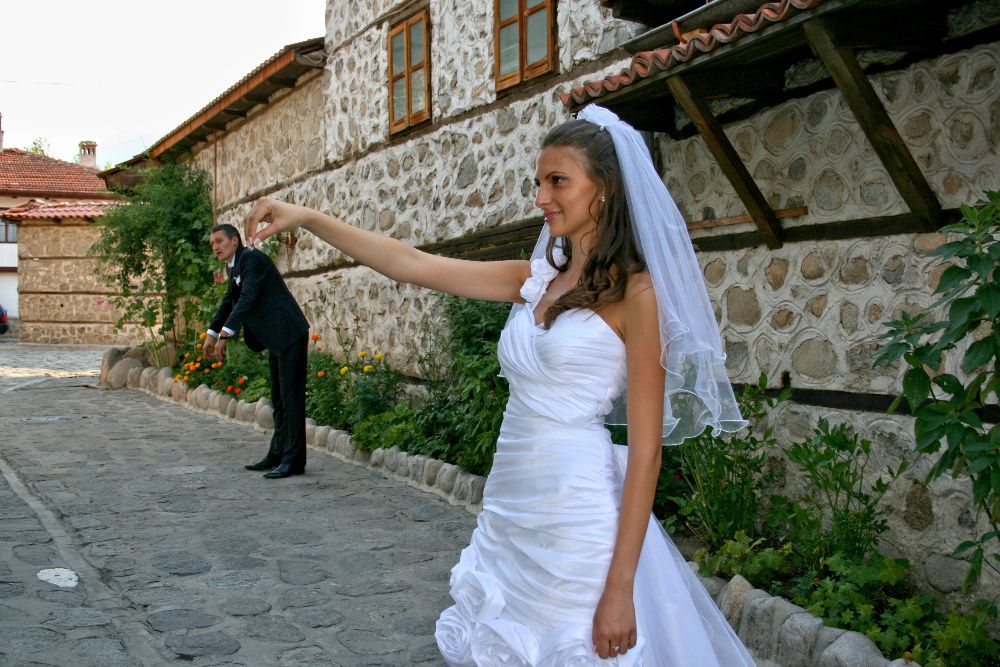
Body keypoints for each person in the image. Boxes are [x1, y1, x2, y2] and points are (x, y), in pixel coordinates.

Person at [243, 105, 755, 664]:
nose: (541, 198)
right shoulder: (531, 282)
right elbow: (412, 264)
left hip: (575, 513)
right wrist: (309, 216)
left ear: (604, 188)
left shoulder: (637, 295)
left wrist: (619, 587)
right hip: (510, 505)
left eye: (558, 180)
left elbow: (648, 452)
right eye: (538, 182)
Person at [204, 223, 310, 479]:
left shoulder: (253, 259)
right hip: (276, 337)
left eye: (219, 241)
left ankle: (294, 461)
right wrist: (211, 333)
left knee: (291, 400)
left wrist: (226, 335)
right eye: (212, 244)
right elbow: (230, 301)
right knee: (279, 400)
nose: (215, 247)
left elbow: (247, 297)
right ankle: (278, 453)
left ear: (235, 241)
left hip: (289, 333)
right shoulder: (236, 265)